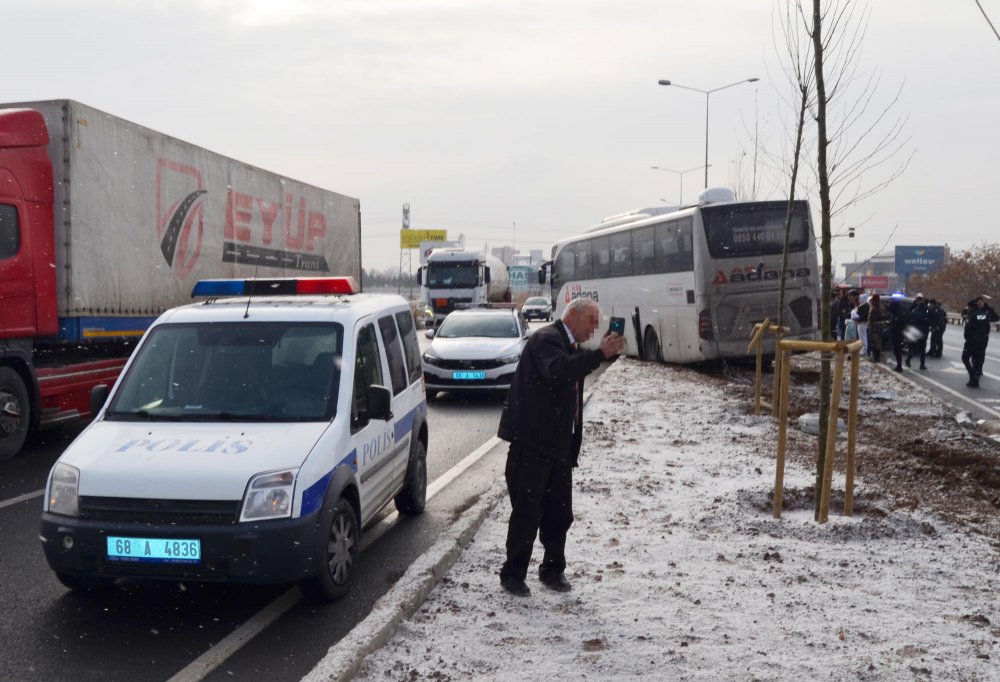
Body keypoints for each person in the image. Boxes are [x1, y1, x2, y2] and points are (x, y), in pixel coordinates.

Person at [497, 297, 626, 597]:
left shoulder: (569, 346)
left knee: (559, 513)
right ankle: (513, 574)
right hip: (532, 445)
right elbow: (559, 371)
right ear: (575, 317)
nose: (594, 331)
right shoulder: (547, 339)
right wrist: (599, 355)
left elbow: (571, 373)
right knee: (527, 513)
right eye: (592, 322)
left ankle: (553, 570)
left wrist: (598, 355)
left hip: (558, 447)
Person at [961, 295, 999, 388]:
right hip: (980, 339)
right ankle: (975, 377)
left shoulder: (974, 315)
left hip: (974, 340)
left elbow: (969, 328)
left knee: (966, 358)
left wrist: (969, 338)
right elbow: (984, 322)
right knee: (976, 356)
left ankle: (974, 377)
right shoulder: (981, 315)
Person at [905, 294, 930, 370]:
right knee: (918, 348)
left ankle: (919, 364)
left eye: (919, 300)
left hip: (919, 330)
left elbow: (927, 319)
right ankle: (914, 362)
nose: (918, 301)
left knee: (918, 348)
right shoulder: (917, 308)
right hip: (919, 330)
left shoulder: (921, 308)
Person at [887, 296, 910, 371]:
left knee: (897, 349)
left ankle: (899, 366)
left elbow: (897, 324)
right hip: (899, 333)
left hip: (897, 333)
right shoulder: (900, 313)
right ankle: (898, 365)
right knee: (897, 349)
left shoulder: (898, 315)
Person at [867, 294, 887, 362]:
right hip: (881, 326)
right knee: (879, 342)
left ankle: (876, 358)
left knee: (875, 342)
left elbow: (871, 319)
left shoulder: (874, 308)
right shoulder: (882, 307)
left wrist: (869, 325)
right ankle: (879, 357)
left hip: (875, 327)